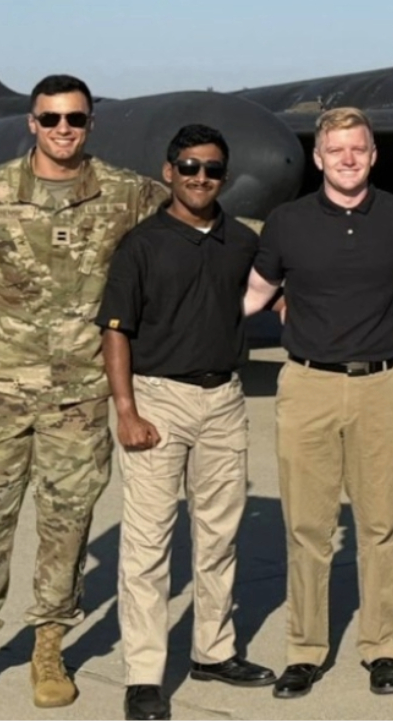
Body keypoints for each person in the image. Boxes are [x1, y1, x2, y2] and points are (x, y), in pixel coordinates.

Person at [0, 74, 166, 716]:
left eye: (74, 120)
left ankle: (49, 650)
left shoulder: (125, 193)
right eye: (50, 119)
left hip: (78, 398)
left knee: (67, 525)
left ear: (89, 124)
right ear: (31, 122)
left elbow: (195, 229)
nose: (62, 130)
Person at [242, 107, 393, 700]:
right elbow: (253, 293)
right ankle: (305, 649)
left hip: (382, 385)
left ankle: (383, 648)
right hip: (308, 386)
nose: (348, 159)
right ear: (319, 158)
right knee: (308, 526)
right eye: (336, 150)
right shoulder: (287, 221)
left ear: (373, 156)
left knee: (380, 524)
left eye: (359, 149)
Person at [97, 125, 275, 721]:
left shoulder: (241, 241)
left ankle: (213, 650)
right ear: (169, 171)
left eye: (213, 169)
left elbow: (276, 296)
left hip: (224, 399)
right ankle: (144, 674)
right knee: (147, 546)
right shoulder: (141, 245)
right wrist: (127, 411)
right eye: (190, 167)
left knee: (219, 538)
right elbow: (115, 332)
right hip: (157, 399)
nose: (202, 178)